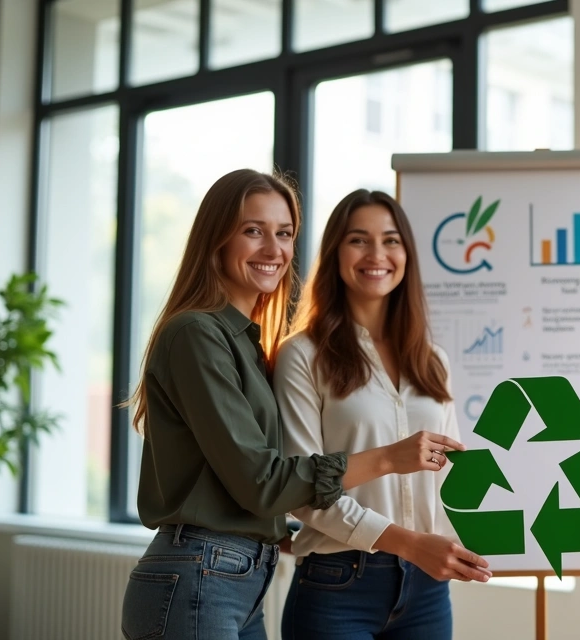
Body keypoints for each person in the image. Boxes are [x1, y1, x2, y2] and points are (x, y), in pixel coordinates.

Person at [120, 170, 463, 640]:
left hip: (240, 574)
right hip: (212, 567)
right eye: (252, 230)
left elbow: (257, 477)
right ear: (215, 237)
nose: (273, 249)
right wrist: (387, 460)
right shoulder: (202, 336)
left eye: (284, 234)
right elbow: (265, 479)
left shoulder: (247, 342)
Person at [273, 189, 491, 640]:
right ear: (335, 251)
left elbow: (452, 478)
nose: (377, 254)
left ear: (407, 253)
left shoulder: (432, 360)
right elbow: (300, 485)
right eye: (359, 240)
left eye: (391, 240)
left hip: (428, 591)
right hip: (337, 587)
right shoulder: (303, 355)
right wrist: (409, 542)